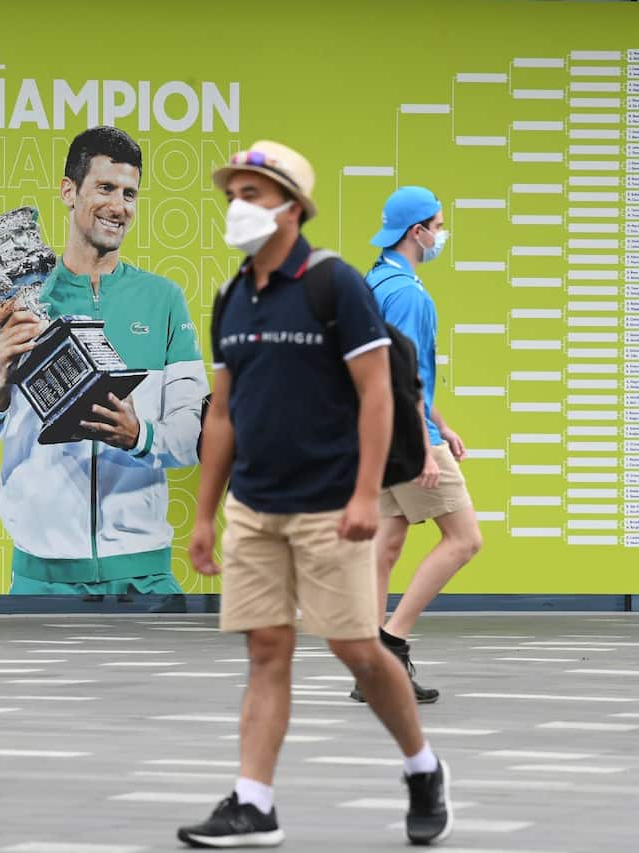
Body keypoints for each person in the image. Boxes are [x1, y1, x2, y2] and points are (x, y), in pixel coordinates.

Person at [178, 141, 452, 848]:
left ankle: (422, 767)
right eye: (233, 193)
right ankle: (253, 800)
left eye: (254, 193)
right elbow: (223, 413)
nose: (239, 205)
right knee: (267, 649)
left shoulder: (336, 284)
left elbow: (374, 395)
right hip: (255, 506)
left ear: (292, 207)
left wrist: (367, 494)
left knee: (358, 649)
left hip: (332, 503)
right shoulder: (231, 296)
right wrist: (205, 515)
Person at [0, 126, 207, 599]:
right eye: (105, 188)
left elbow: (198, 432)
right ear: (68, 191)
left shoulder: (163, 301)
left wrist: (140, 437)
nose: (119, 206)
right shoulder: (9, 304)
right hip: (41, 579)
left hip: (144, 576)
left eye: (130, 193)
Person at [353, 186, 483, 705]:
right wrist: (425, 447)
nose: (441, 234)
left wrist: (441, 421)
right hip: (406, 438)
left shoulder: (375, 281)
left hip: (379, 433)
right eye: (439, 224)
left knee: (385, 548)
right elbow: (399, 375)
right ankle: (392, 641)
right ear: (417, 231)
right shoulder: (407, 293)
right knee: (465, 540)